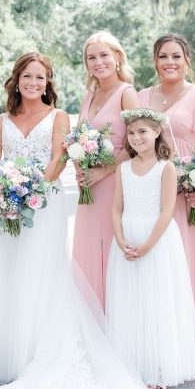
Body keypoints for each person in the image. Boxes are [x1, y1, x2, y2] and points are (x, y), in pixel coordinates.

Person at [0, 53, 187, 389]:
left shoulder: (59, 117)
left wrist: (31, 189)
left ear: (47, 82)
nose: (33, 83)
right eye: (27, 77)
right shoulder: (2, 121)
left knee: (43, 273)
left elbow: (58, 160)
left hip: (44, 202)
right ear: (16, 80)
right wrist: (5, 192)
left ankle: (42, 352)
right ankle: (16, 357)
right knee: (12, 274)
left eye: (40, 77)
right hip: (8, 204)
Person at [137, 33, 195, 378]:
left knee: (192, 270)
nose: (169, 62)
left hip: (191, 195)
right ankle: (160, 355)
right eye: (162, 56)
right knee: (158, 272)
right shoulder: (143, 97)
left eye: (176, 56)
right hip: (151, 193)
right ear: (155, 61)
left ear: (187, 60)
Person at [106, 108, 195, 389]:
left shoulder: (166, 167)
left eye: (143, 132)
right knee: (129, 299)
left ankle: (158, 367)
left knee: (155, 299)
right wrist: (120, 238)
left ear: (157, 132)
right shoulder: (122, 168)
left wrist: (147, 245)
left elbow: (166, 210)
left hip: (156, 240)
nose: (136, 138)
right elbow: (115, 207)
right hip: (127, 237)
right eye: (132, 133)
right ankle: (131, 365)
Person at [71, 31, 139, 309]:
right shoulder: (89, 95)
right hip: (89, 186)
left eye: (104, 55)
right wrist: (80, 167)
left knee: (109, 250)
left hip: (114, 184)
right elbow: (75, 138)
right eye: (91, 58)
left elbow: (138, 145)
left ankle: (113, 320)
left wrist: (102, 171)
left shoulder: (127, 93)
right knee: (87, 251)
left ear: (118, 57)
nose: (98, 62)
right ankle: (89, 319)